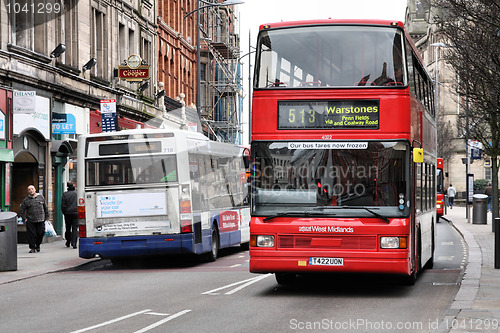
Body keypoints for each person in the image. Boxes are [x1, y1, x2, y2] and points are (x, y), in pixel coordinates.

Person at [20, 185, 49, 253]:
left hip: (40, 219)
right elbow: (21, 210)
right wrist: (25, 218)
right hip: (30, 220)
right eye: (29, 189)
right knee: (31, 235)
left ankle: (38, 245)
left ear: (35, 189)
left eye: (32, 189)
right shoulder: (26, 200)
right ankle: (32, 247)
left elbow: (46, 208)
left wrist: (47, 217)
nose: (31, 190)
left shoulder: (41, 197)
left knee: (40, 233)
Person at [61, 181, 78, 249]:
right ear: (73, 185)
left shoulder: (65, 194)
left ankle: (68, 241)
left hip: (67, 213)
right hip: (76, 213)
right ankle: (74, 243)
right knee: (75, 228)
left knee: (68, 228)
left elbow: (62, 205)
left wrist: (64, 212)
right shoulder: (77, 194)